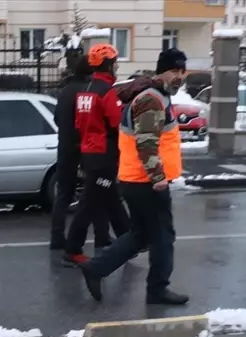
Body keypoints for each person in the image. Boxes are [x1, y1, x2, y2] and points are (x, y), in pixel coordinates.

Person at [78, 48, 190, 305]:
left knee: (141, 235)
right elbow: (146, 142)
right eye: (174, 71)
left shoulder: (159, 96)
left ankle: (96, 269)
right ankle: (157, 289)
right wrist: (158, 176)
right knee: (163, 236)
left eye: (182, 71)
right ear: (162, 70)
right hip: (147, 182)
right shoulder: (151, 100)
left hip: (137, 179)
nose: (179, 77)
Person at [61, 43, 129, 267]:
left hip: (89, 152)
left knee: (110, 197)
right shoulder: (106, 92)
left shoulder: (86, 91)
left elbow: (79, 123)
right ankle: (72, 250)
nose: (117, 66)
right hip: (104, 155)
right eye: (115, 62)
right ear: (109, 65)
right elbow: (117, 123)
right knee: (89, 204)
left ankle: (129, 239)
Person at [50, 56, 110, 253]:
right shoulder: (88, 91)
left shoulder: (65, 91)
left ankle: (57, 237)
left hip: (65, 146)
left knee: (64, 194)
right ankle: (102, 235)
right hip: (87, 146)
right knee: (95, 191)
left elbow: (57, 118)